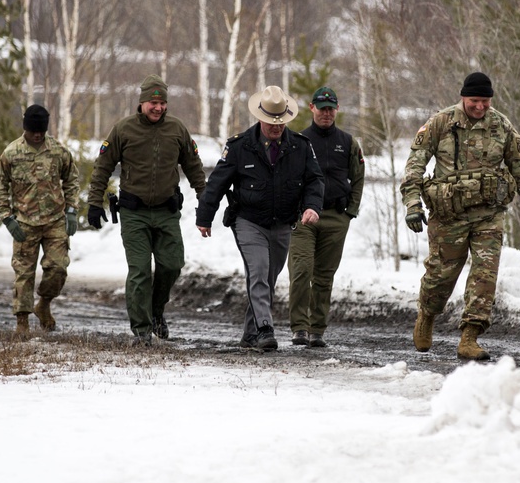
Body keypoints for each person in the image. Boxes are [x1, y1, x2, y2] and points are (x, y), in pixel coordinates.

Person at [400, 72, 520, 361]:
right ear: (463, 97)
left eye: (485, 101)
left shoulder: (501, 126)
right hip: (449, 215)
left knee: (485, 275)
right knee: (441, 274)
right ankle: (427, 313)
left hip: (488, 215)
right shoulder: (441, 123)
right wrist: (413, 204)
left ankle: (470, 336)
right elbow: (414, 166)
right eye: (474, 101)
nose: (480, 107)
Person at [196, 85, 324, 352]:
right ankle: (265, 329)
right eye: (271, 122)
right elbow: (216, 183)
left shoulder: (300, 147)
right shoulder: (240, 146)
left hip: (282, 222)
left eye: (281, 122)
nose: (276, 127)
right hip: (248, 220)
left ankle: (250, 333)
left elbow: (314, 180)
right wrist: (205, 216)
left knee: (269, 277)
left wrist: (312, 206)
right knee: (258, 272)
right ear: (260, 117)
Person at [86, 75, 206, 346]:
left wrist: (205, 201)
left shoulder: (177, 129)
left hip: (167, 211)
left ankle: (156, 310)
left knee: (172, 264)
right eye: (153, 102)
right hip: (134, 213)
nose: (158, 108)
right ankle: (141, 331)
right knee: (140, 270)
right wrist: (95, 202)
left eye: (162, 102)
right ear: (141, 103)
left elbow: (195, 168)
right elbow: (103, 167)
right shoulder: (123, 129)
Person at [0, 104, 80, 338]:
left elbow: (72, 179)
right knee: (24, 273)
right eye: (33, 131)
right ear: (25, 128)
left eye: (41, 130)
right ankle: (22, 322)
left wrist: (71, 210)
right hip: (24, 223)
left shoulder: (58, 151)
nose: (37, 135)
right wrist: (7, 217)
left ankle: (44, 304)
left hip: (55, 221)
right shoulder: (12, 153)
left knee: (58, 268)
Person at [286, 86, 365, 348]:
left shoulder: (348, 142)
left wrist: (350, 212)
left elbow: (358, 177)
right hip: (303, 218)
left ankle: (317, 329)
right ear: (312, 108)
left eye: (331, 108)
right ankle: (299, 327)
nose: (326, 113)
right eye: (322, 108)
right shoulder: (298, 141)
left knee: (323, 276)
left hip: (335, 217)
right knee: (301, 270)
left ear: (337, 110)